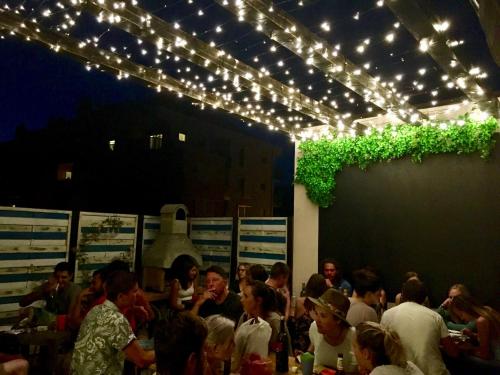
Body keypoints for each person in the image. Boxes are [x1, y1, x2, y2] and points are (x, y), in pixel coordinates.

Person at [71, 271, 155, 375]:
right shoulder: (116, 320)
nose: (137, 295)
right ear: (120, 297)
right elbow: (142, 360)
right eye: (134, 291)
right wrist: (170, 352)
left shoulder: (96, 310)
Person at [381, 279, 458, 375]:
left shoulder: (387, 315)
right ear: (424, 298)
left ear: (402, 295)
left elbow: (382, 347)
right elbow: (452, 352)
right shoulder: (435, 317)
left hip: (400, 372)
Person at [306, 288, 358, 373]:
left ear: (338, 320)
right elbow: (310, 354)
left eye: (323, 316)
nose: (317, 320)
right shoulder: (314, 328)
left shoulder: (354, 337)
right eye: (316, 313)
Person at [232, 280, 273, 372]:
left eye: (246, 296)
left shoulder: (271, 323)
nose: (241, 299)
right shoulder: (246, 318)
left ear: (258, 300)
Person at [353, 322, 423, 375]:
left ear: (365, 354)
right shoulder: (409, 366)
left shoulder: (379, 373)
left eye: (354, 346)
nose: (353, 352)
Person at [450, 294, 500, 360]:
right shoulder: (487, 309)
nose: (462, 318)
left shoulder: (481, 321)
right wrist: (472, 335)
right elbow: (492, 338)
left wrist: (468, 349)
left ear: (467, 309)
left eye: (461, 314)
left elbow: (485, 355)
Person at [289, 273, 328, 353]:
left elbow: (291, 321)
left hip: (296, 343)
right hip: (313, 343)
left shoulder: (298, 301)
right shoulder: (322, 307)